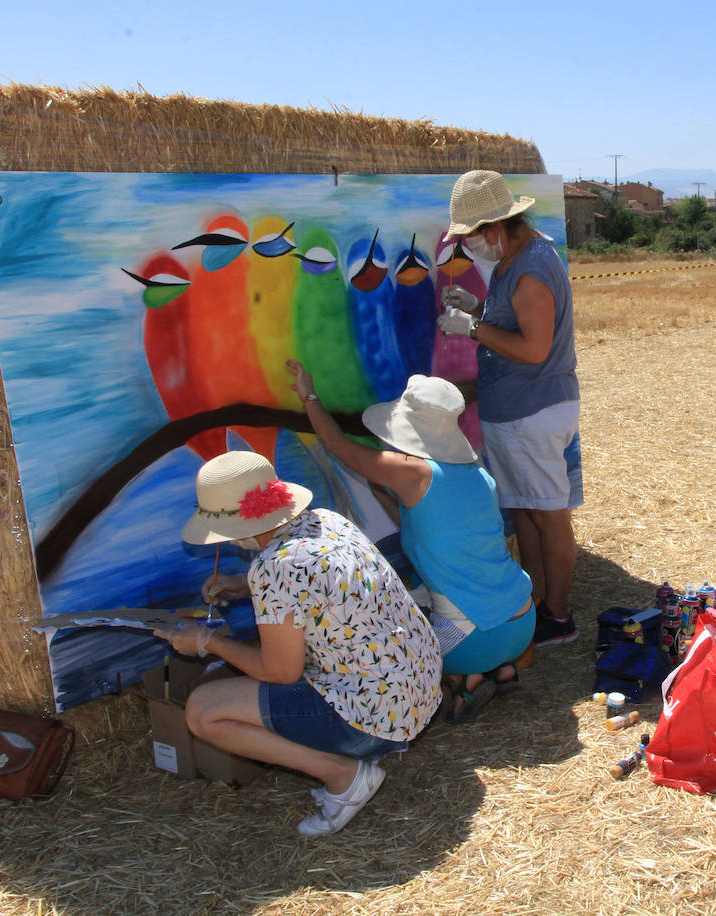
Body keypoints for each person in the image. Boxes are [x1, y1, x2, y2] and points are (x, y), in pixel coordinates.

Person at [156, 452, 442, 835]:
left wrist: (208, 641)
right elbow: (316, 590)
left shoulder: (276, 567)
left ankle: (344, 774)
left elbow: (280, 672)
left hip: (376, 719)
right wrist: (244, 586)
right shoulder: (328, 521)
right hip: (416, 692)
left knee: (203, 711)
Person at [286, 359, 534, 720]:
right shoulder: (475, 468)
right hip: (521, 621)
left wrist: (309, 395)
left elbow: (337, 445)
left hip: (473, 639)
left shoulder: (411, 471)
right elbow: (423, 522)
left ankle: (466, 679)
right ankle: (500, 668)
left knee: (391, 648)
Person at [437, 170, 582, 648]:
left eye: (472, 238)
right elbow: (514, 320)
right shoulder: (517, 258)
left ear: (495, 228)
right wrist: (478, 308)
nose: (469, 248)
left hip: (531, 413)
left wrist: (471, 329)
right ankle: (539, 604)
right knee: (526, 512)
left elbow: (534, 349)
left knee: (548, 514)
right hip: (516, 411)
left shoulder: (531, 269)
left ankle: (558, 617)